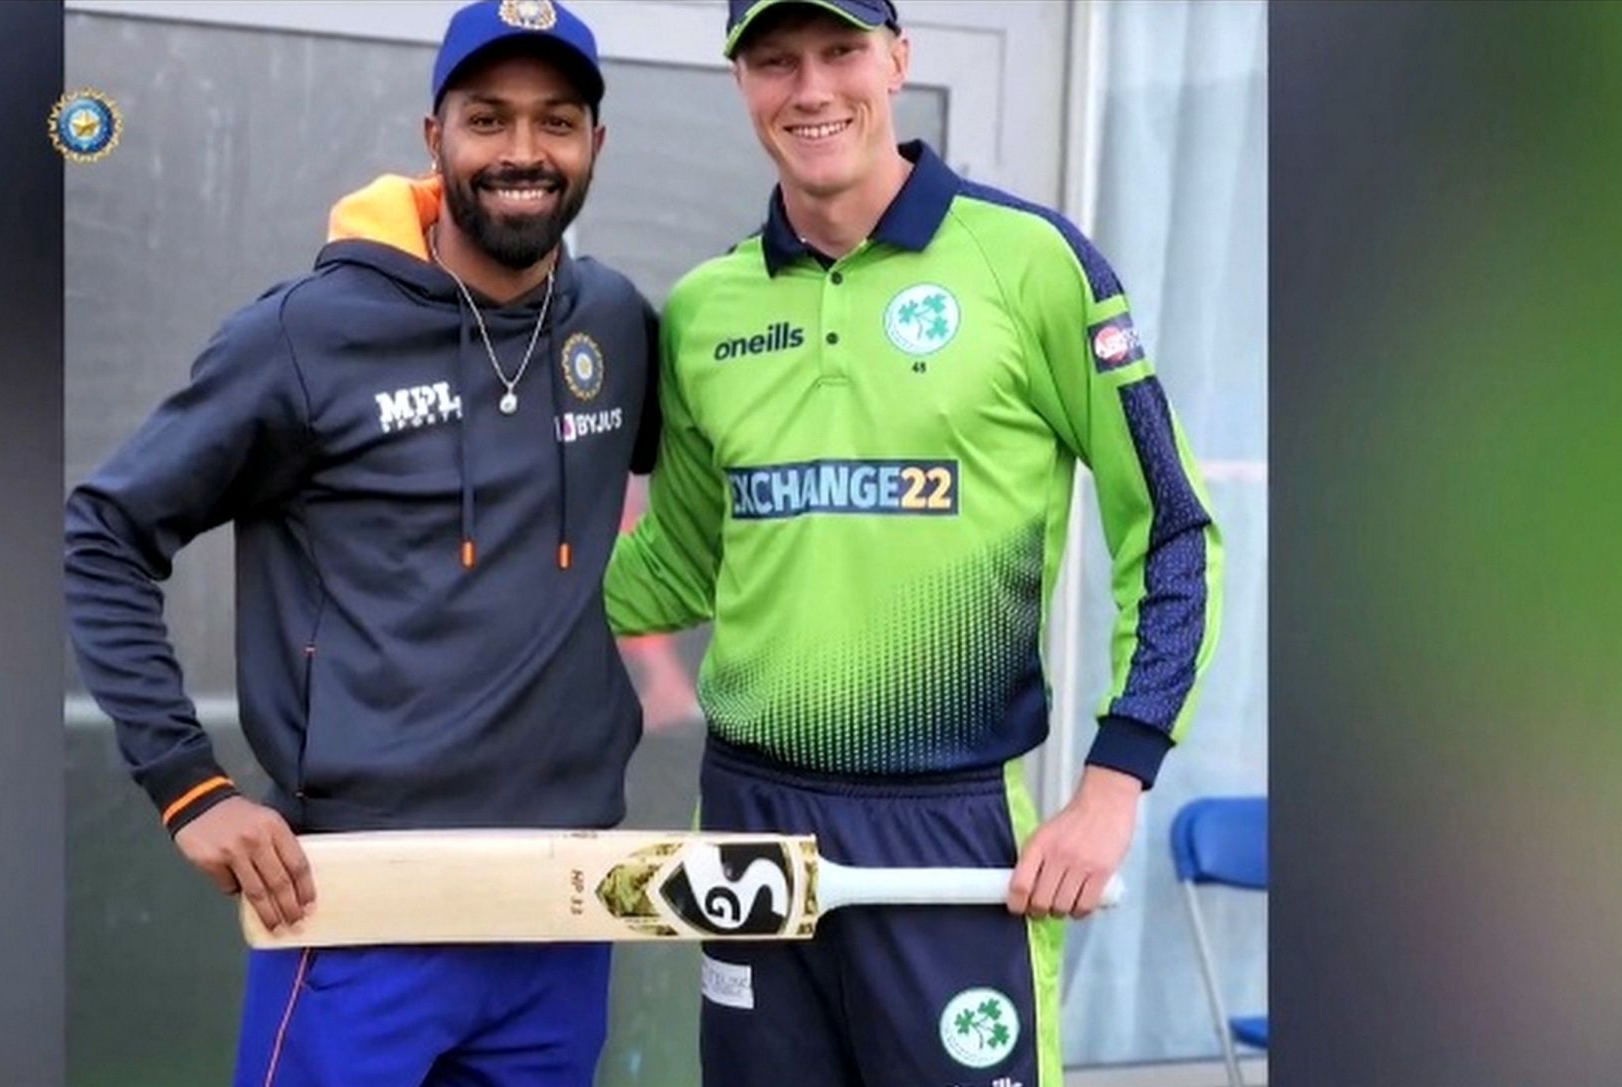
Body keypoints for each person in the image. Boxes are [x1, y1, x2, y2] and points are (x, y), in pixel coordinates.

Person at [604, 1, 1224, 1084]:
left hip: (951, 829)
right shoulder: (705, 308)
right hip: (750, 827)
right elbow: (680, 563)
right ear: (739, 81)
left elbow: (1170, 530)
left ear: (897, 58)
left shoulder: (1030, 263)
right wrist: (470, 586)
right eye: (775, 61)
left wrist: (1114, 785)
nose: (811, 89)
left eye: (840, 50)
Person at [64, 3, 658, 1084]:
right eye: (489, 119)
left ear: (595, 147)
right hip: (357, 901)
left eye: (557, 122)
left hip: (561, 904)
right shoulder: (305, 335)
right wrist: (187, 784)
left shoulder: (614, 322)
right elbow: (105, 532)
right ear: (434, 136)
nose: (523, 152)